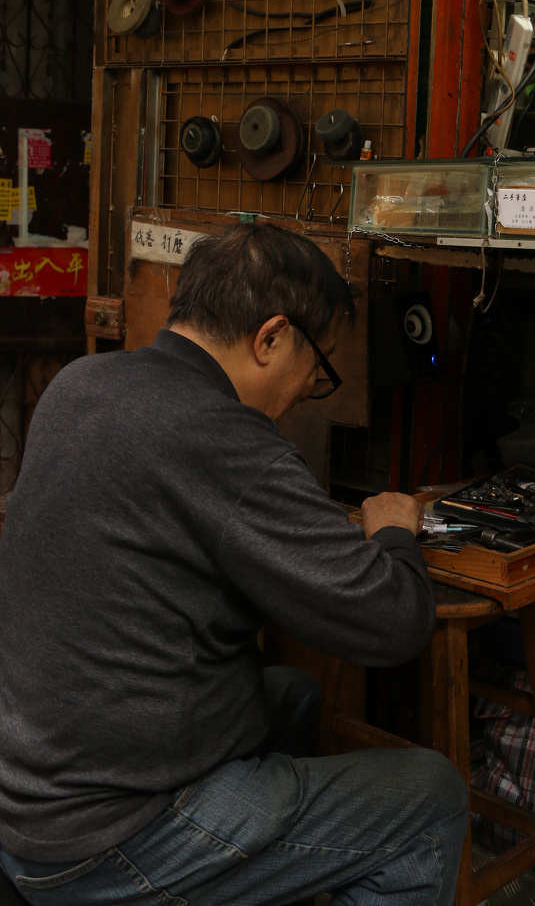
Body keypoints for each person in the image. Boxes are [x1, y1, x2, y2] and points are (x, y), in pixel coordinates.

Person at [0, 222, 468, 905]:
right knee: (429, 797)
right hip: (108, 841)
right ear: (272, 338)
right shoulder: (222, 438)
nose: (310, 387)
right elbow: (393, 621)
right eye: (318, 369)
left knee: (291, 695)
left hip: (24, 801)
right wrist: (393, 531)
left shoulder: (82, 383)